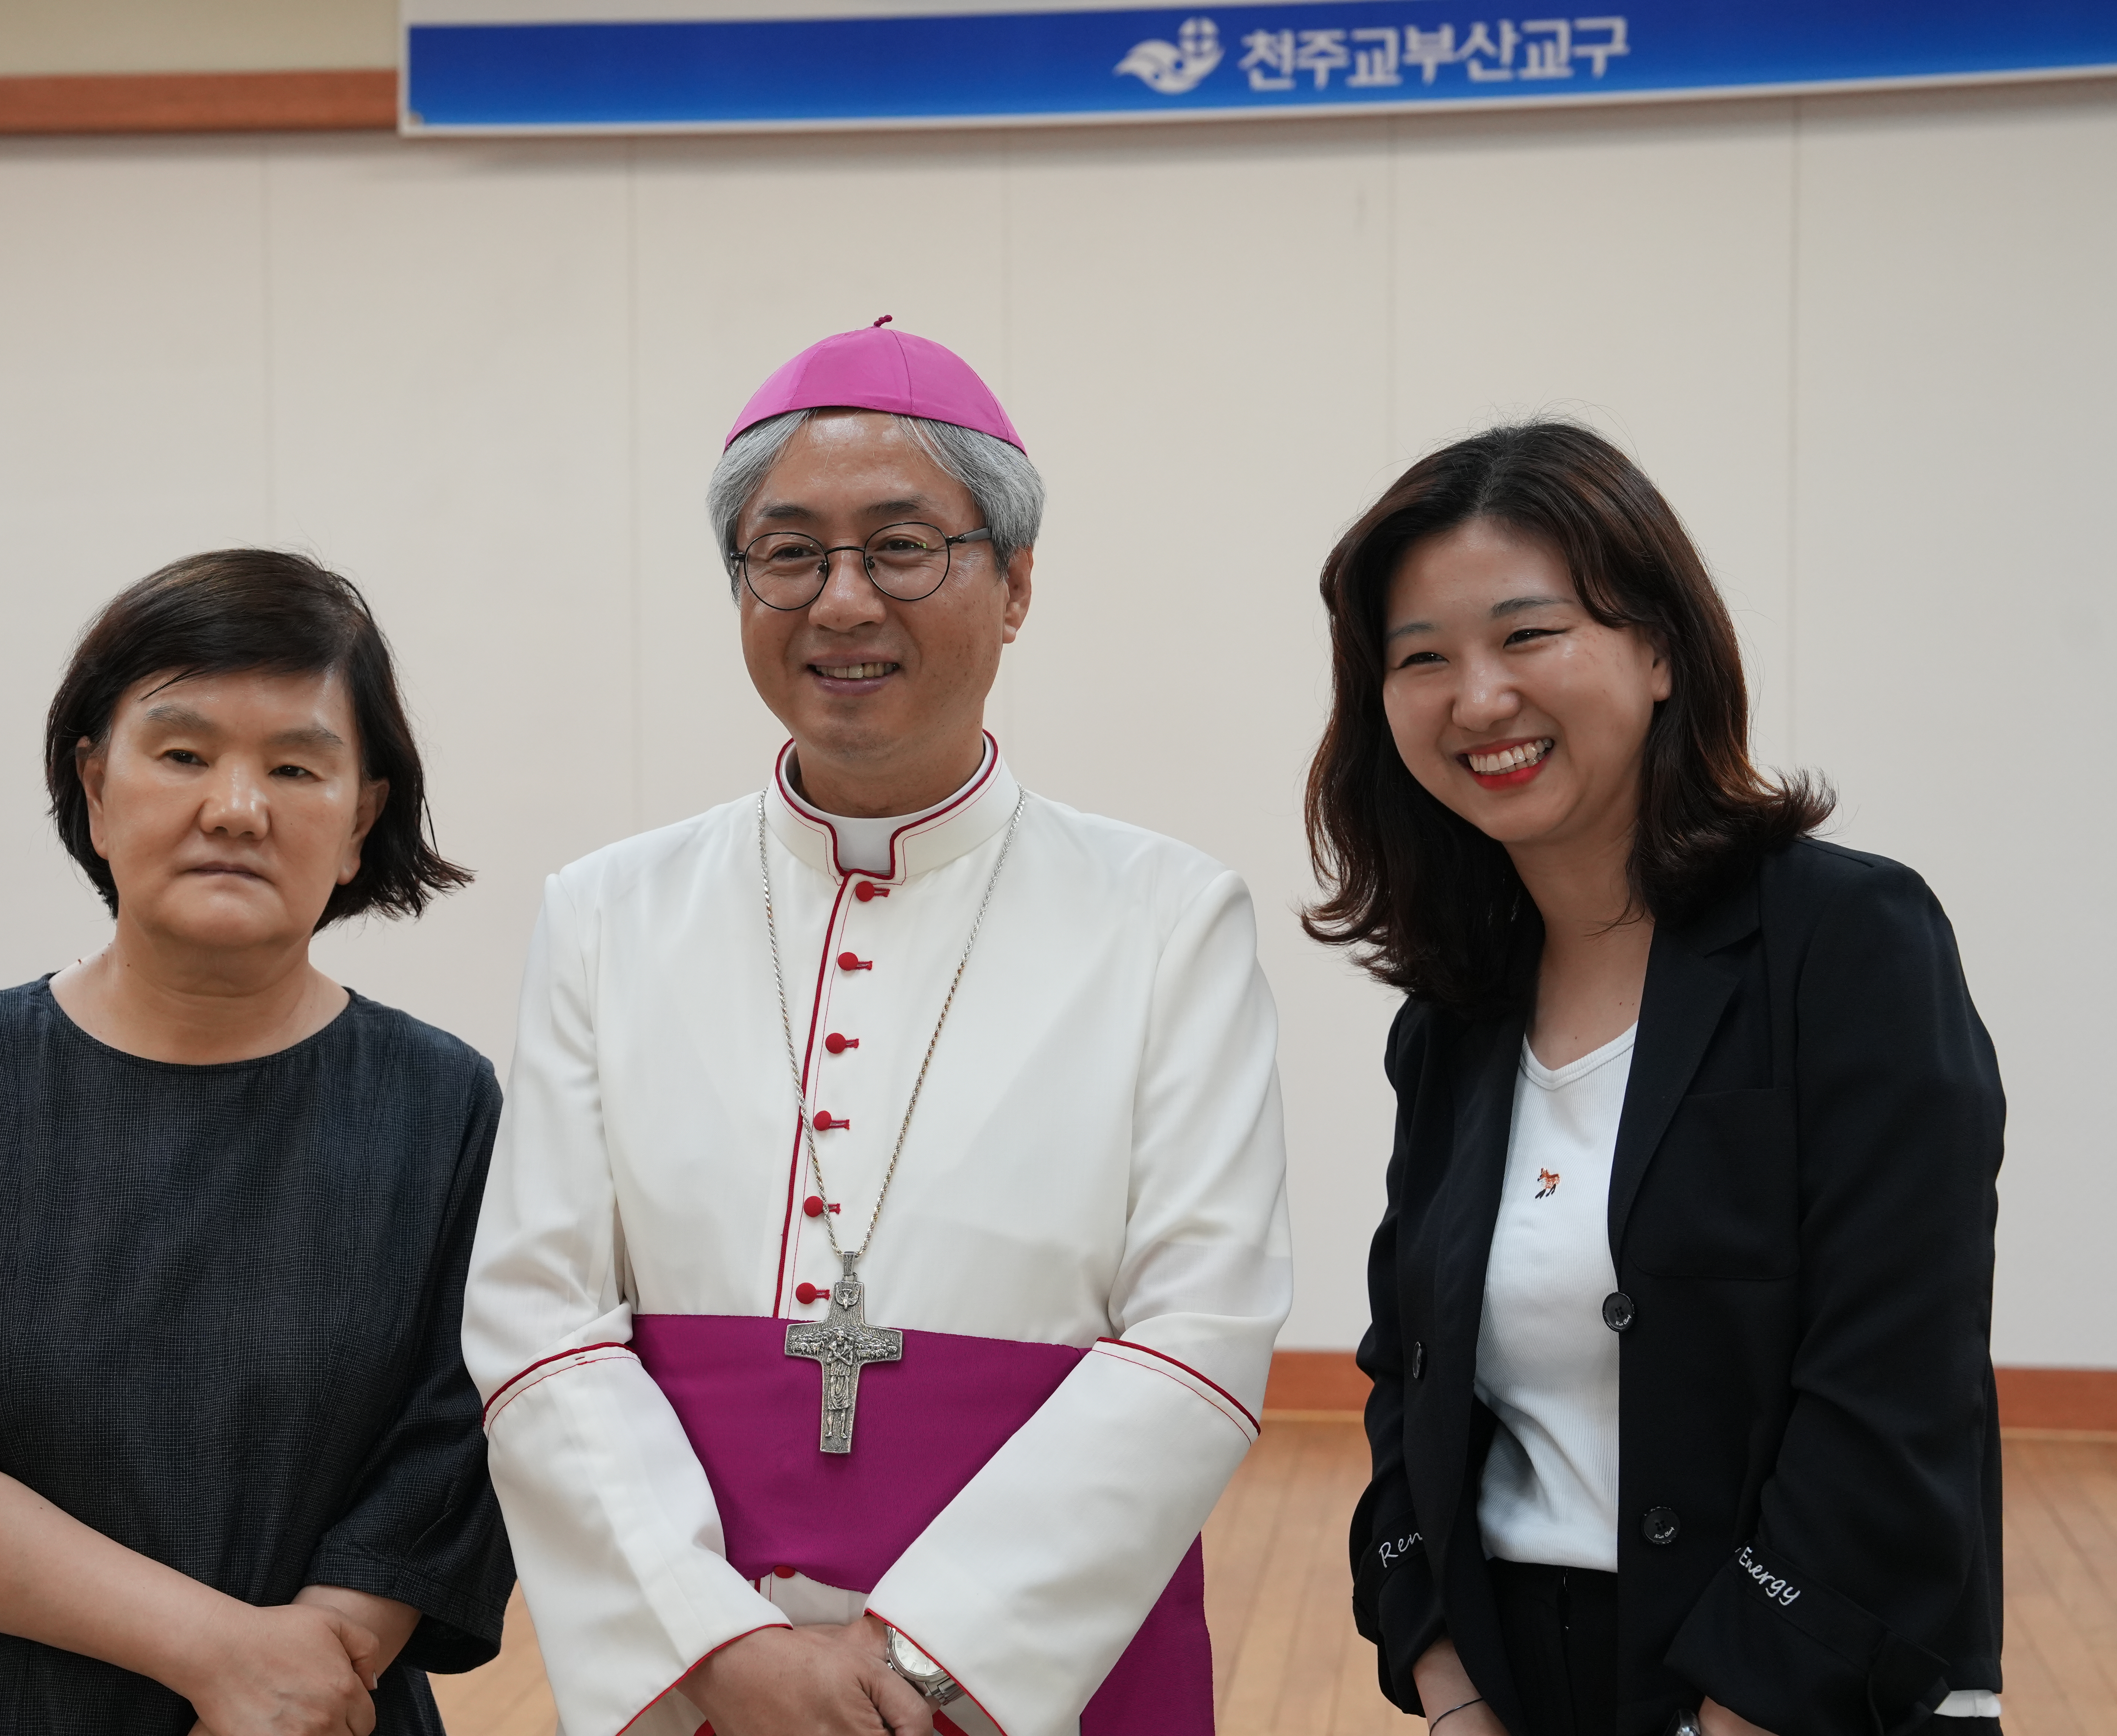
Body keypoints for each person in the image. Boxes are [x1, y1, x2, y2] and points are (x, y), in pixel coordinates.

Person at [463, 318, 1292, 1736]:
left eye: (904, 547)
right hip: (705, 1673)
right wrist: (718, 1641)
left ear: (1018, 583)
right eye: (788, 554)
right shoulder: (608, 911)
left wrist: (923, 1662)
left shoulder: (1170, 916)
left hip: (1039, 1674)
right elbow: (539, 1316)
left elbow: (1197, 1332)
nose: (842, 600)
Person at [1306, 423, 2005, 1736]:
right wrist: (1449, 1683)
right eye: (1421, 660)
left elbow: (1898, 1392)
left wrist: (1732, 1718)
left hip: (1798, 1688)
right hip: (1516, 1683)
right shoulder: (1453, 1017)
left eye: (1529, 636)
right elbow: (1410, 1379)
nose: (1478, 699)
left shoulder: (1848, 944)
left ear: (1662, 649)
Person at [0, 550, 514, 1736]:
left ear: (362, 819)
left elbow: (457, 1447)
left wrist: (300, 1679)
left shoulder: (443, 1103)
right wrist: (221, 1655)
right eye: (183, 753)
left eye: (298, 766)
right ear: (95, 787)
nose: (237, 806)